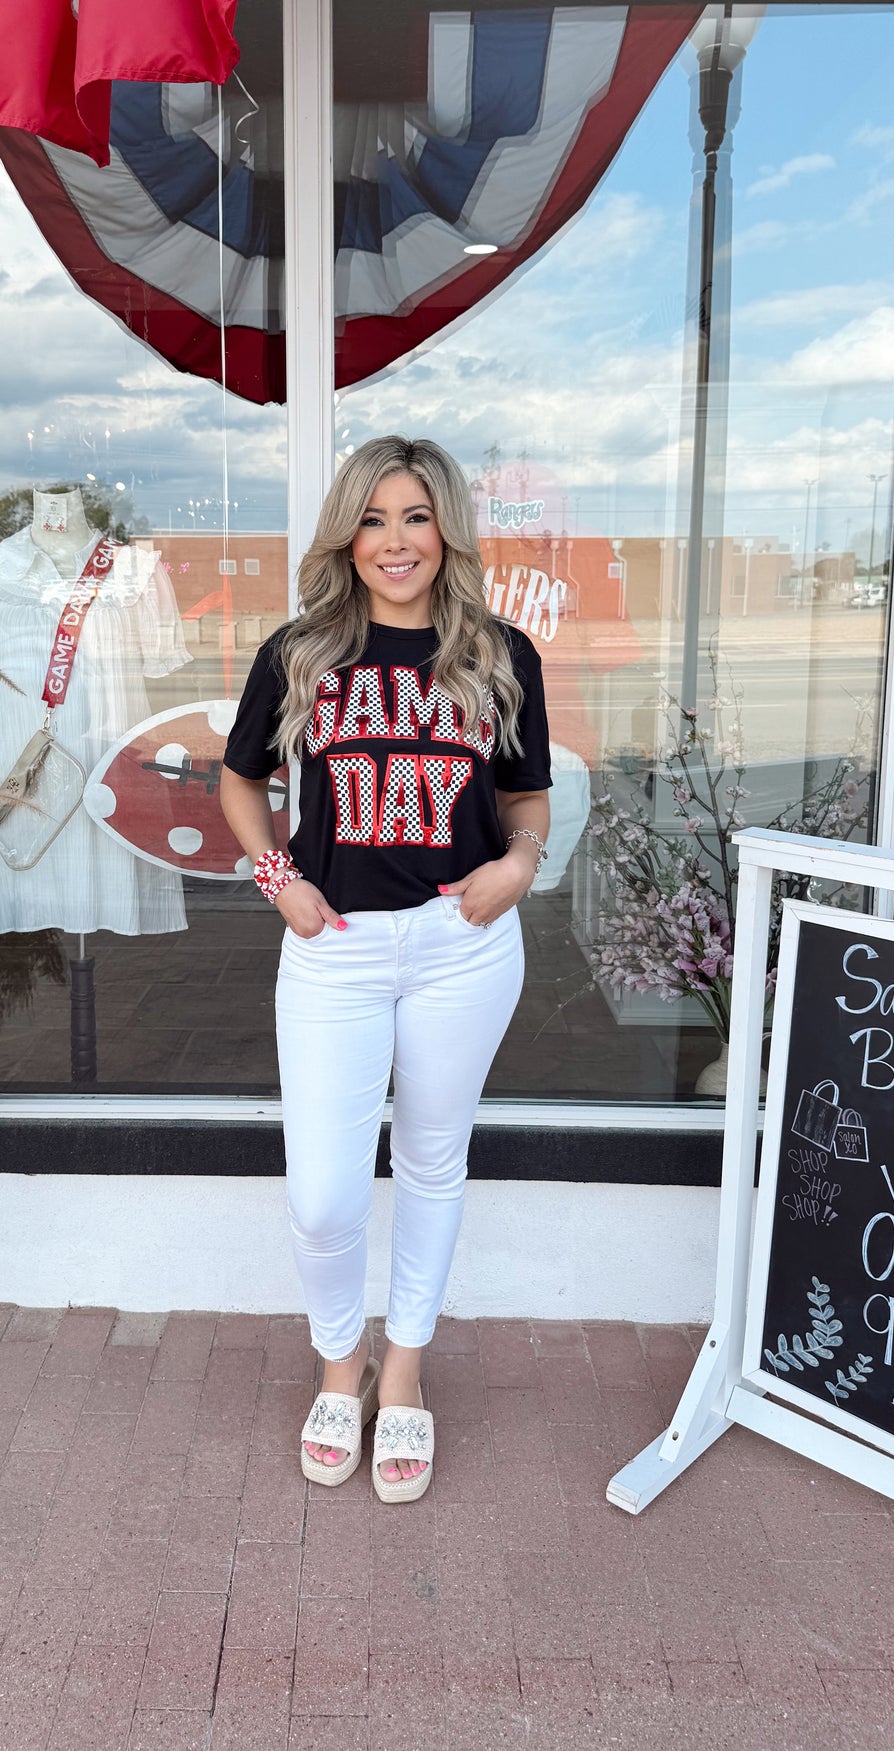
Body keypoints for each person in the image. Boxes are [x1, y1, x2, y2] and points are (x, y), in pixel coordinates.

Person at [219, 436, 552, 1504]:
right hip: (336, 947)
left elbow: (525, 803)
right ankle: (339, 1362)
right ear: (345, 534)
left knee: (429, 1161)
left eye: (414, 516)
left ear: (444, 527)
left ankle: (401, 1370)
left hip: (460, 943)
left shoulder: (500, 656)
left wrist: (518, 865)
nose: (393, 540)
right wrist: (279, 879)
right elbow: (238, 784)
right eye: (372, 519)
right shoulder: (303, 652)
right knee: (321, 1196)